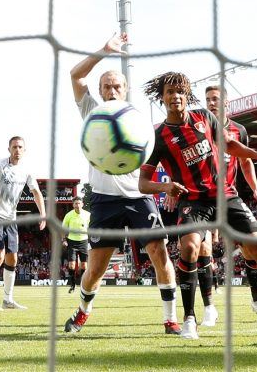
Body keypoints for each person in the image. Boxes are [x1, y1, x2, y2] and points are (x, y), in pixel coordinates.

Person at [138, 71, 257, 339]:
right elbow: (143, 183)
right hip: (193, 201)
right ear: (161, 98)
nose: (175, 97)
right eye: (169, 93)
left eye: (179, 92)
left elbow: (229, 144)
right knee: (190, 247)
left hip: (226, 195)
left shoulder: (205, 118)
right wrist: (165, 187)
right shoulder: (159, 136)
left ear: (187, 95)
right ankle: (189, 320)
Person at [63, 33, 181, 336]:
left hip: (138, 197)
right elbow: (76, 75)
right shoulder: (91, 110)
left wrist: (167, 186)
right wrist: (104, 51)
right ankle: (82, 311)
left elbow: (158, 154)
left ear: (125, 89)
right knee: (96, 268)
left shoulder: (138, 119)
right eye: (107, 86)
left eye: (117, 85)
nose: (112, 89)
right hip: (103, 199)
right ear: (100, 90)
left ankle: (171, 319)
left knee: (159, 252)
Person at [197, 85, 257, 325]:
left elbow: (245, 162)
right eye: (208, 99)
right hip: (202, 197)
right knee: (203, 249)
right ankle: (209, 307)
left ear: (226, 103)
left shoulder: (239, 130)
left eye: (216, 99)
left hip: (230, 196)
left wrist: (256, 190)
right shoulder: (198, 128)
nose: (212, 103)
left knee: (252, 250)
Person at [0, 136, 47, 311]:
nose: (17, 150)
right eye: (14, 147)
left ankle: (8, 300)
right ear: (9, 149)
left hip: (11, 218)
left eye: (20, 147)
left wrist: (43, 214)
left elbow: (36, 193)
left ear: (24, 150)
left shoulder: (27, 171)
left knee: (12, 259)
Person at [62, 197, 90, 293]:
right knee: (71, 266)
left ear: (82, 204)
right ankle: (72, 285)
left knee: (84, 266)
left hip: (84, 241)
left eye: (79, 203)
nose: (77, 205)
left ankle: (82, 285)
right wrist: (63, 240)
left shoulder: (88, 215)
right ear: (73, 205)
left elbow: (92, 227)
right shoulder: (68, 215)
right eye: (75, 203)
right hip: (72, 242)